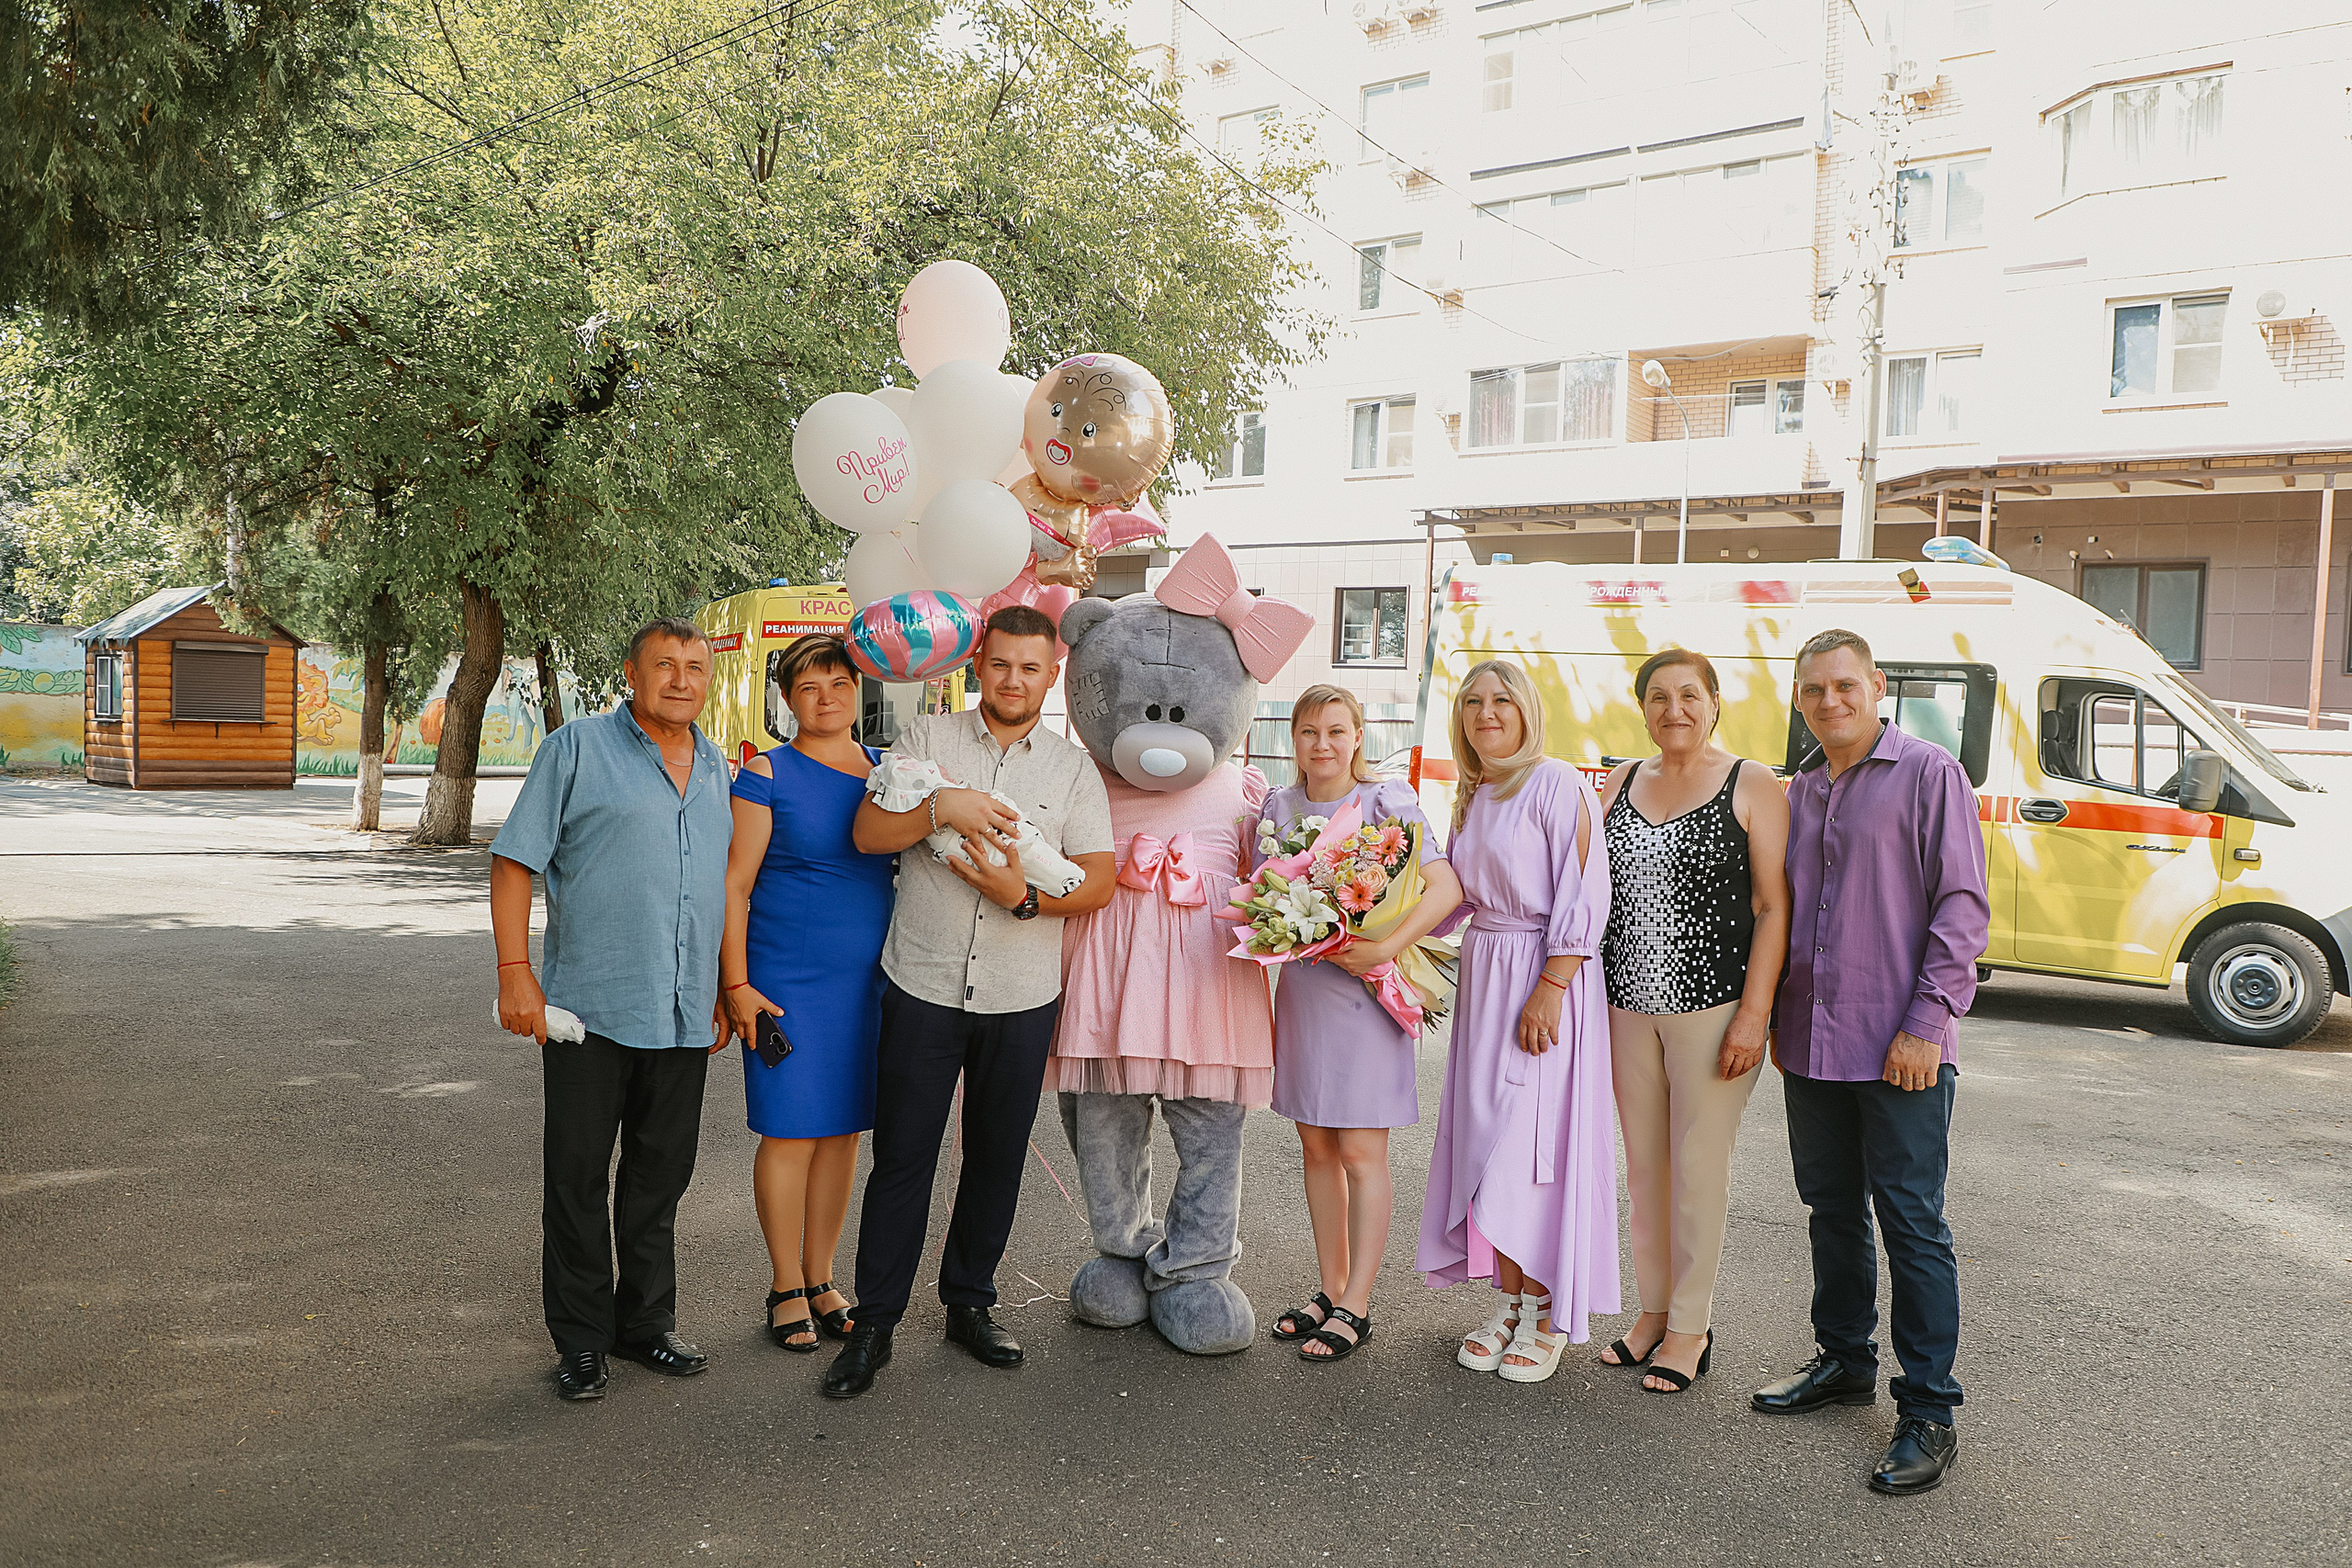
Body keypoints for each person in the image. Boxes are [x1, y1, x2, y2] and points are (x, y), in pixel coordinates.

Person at [821, 605, 1117, 1399]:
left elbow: (1097, 879)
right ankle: (875, 1322)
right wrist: (938, 809)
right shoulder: (926, 743)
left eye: (1031, 668)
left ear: (1051, 674)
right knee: (903, 1159)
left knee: (997, 1157)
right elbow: (867, 835)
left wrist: (1026, 898)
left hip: (1022, 995)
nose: (1014, 679)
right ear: (977, 664)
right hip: (922, 981)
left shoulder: (1071, 769)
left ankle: (970, 1302)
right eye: (1001, 664)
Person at [1749, 628, 1988, 1497]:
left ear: (1877, 686)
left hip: (1903, 1047)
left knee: (1913, 1223)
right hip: (1811, 1041)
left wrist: (1928, 1022)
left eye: (1844, 685)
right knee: (1830, 1209)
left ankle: (1930, 1409)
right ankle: (1845, 1357)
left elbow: (1961, 910)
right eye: (1813, 689)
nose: (1829, 701)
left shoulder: (1930, 775)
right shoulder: (1798, 791)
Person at [491, 617, 733, 1402]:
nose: (682, 679)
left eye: (695, 666)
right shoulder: (576, 750)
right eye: (665, 664)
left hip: (684, 1009)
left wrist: (727, 990)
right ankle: (583, 1339)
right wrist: (515, 973)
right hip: (587, 1007)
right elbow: (513, 860)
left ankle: (644, 1324)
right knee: (577, 1177)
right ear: (631, 672)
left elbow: (723, 888)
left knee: (660, 1178)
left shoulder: (716, 765)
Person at [1595, 649, 1791, 1393]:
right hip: (1625, 1006)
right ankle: (1650, 1313)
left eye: (1688, 694)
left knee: (1698, 1170)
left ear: (1714, 700)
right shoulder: (1618, 781)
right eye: (1658, 696)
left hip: (1713, 1009)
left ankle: (1690, 1327)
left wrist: (1755, 1015)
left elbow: (1774, 907)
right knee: (1646, 1170)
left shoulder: (1752, 782)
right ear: (1641, 707)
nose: (1673, 708)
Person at [1417, 658, 1617, 1384]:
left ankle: (1544, 1310)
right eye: (1473, 701)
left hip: (1541, 971)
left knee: (1532, 1143)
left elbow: (1583, 889)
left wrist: (1553, 984)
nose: (1487, 711)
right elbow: (1458, 894)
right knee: (1484, 1141)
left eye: (1502, 699)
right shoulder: (1475, 793)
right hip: (1486, 971)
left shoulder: (1557, 782)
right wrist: (1382, 936)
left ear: (1527, 709)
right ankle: (1507, 1299)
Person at [1259, 685, 1463, 1362]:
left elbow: (1445, 887)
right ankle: (1329, 1286)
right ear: (1294, 738)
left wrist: (1382, 945)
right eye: (1310, 731)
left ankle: (1358, 1303)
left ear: (1358, 736)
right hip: (1306, 991)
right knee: (1316, 1147)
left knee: (1359, 1152)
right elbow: (1259, 891)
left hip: (1369, 991)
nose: (1323, 744)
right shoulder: (1278, 807)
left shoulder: (1388, 803)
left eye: (1337, 730)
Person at [718, 634, 898, 1353]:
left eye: (839, 683)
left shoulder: (888, 770)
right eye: (809, 686)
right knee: (790, 1131)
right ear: (787, 699)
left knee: (844, 1132)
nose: (827, 698)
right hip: (785, 981)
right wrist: (736, 984)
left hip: (870, 982)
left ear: (859, 691)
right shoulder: (767, 772)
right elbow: (734, 884)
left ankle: (824, 1277)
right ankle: (784, 1281)